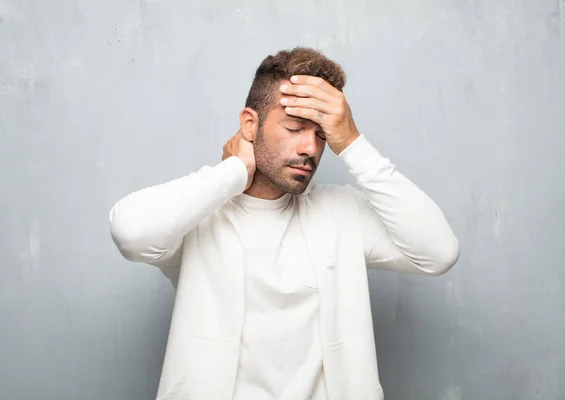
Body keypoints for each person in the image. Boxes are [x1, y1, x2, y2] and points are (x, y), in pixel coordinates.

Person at [109, 47, 460, 400]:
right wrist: (233, 171)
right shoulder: (199, 218)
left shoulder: (342, 213)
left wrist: (352, 143)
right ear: (250, 124)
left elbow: (438, 252)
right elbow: (131, 231)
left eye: (322, 133)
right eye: (294, 128)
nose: (310, 147)